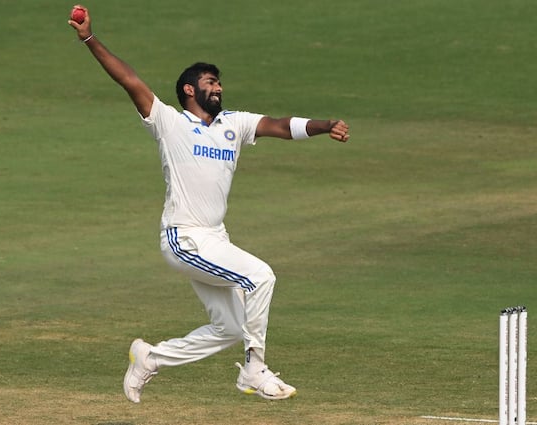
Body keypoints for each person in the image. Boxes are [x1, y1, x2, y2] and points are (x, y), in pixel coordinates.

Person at [67, 5, 350, 403]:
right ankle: (254, 370)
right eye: (210, 83)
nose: (217, 89)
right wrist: (89, 39)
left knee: (231, 328)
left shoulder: (234, 123)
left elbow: (280, 126)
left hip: (215, 239)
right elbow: (129, 80)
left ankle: (150, 358)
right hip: (185, 238)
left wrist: (323, 126)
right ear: (189, 90)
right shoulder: (169, 122)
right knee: (261, 277)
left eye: (218, 84)